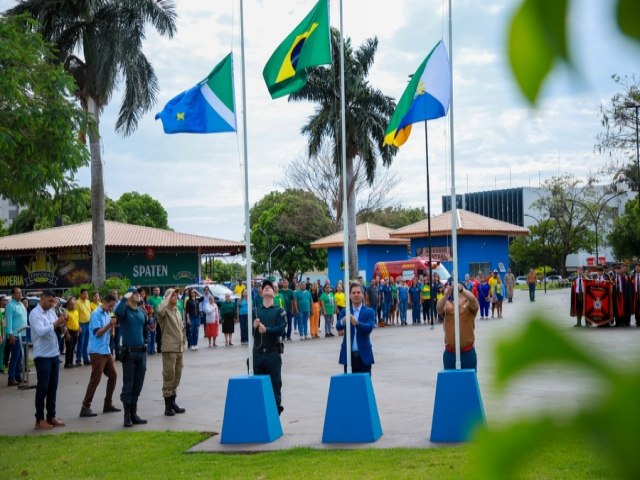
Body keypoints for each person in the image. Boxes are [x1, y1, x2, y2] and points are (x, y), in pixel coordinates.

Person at [30, 290, 68, 430]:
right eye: (50, 301)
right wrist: (57, 322)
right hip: (42, 356)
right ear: (43, 298)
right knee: (43, 388)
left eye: (54, 301)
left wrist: (63, 324)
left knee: (53, 387)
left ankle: (51, 416)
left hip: (54, 354)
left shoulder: (51, 312)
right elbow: (41, 331)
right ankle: (39, 420)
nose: (52, 304)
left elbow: (58, 331)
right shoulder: (35, 313)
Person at [79, 294, 120, 418]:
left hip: (105, 350)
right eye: (111, 306)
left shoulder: (107, 313)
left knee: (113, 376)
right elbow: (97, 333)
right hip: (97, 351)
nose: (111, 308)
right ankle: (85, 407)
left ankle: (108, 404)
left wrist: (112, 327)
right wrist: (109, 325)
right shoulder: (96, 314)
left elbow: (107, 329)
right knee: (95, 379)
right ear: (105, 302)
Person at [115, 288, 148, 428]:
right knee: (128, 385)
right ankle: (127, 415)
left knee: (138, 385)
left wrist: (145, 340)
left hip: (141, 352)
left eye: (138, 293)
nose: (138, 295)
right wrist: (124, 298)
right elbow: (117, 313)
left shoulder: (141, 312)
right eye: (134, 293)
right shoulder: (125, 311)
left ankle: (134, 413)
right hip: (129, 353)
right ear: (129, 296)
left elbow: (144, 328)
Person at [252, 280, 286, 415]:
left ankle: (275, 415)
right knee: (258, 387)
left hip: (273, 354)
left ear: (274, 292)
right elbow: (247, 333)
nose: (266, 288)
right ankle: (260, 415)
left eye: (269, 287)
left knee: (275, 385)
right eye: (264, 287)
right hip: (258, 355)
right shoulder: (256, 311)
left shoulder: (279, 311)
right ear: (261, 293)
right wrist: (253, 327)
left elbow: (281, 329)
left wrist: (267, 330)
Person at [157, 288, 187, 417]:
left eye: (176, 295)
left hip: (179, 348)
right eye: (173, 295)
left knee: (177, 376)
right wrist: (167, 298)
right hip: (169, 349)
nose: (176, 297)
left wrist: (184, 342)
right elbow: (159, 310)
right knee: (169, 376)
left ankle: (173, 401)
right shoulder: (164, 312)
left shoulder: (177, 310)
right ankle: (167, 406)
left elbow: (181, 328)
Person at [436, 282, 479, 371]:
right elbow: (438, 309)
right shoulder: (448, 304)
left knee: (468, 382)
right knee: (450, 382)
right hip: (450, 353)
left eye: (460, 285)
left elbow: (473, 300)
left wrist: (462, 290)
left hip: (467, 353)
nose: (456, 286)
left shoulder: (469, 304)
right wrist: (445, 296)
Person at [336, 282, 376, 375]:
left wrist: (357, 323)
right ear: (349, 295)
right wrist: (344, 320)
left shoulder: (369, 311)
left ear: (362, 295)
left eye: (358, 292)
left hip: (364, 357)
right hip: (349, 357)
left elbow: (369, 328)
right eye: (353, 293)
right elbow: (338, 326)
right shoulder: (345, 311)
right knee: (350, 387)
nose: (356, 295)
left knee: (364, 387)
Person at [5, 287, 27, 386]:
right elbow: (8, 321)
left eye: (20, 292)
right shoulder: (10, 305)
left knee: (20, 357)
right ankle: (11, 378)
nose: (20, 294)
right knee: (15, 357)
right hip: (15, 335)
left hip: (23, 334)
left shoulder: (21, 304)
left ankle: (18, 377)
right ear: (13, 295)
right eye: (18, 293)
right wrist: (10, 334)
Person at [76, 288, 92, 366]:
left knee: (86, 343)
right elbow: (76, 316)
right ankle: (78, 360)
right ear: (81, 294)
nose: (85, 295)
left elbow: (90, 313)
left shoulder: (88, 302)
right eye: (84, 294)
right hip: (81, 325)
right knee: (80, 343)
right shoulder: (77, 302)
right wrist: (79, 326)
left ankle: (86, 359)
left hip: (88, 324)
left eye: (86, 294)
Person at [64, 296, 80, 369]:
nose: (72, 305)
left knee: (73, 348)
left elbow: (77, 321)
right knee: (69, 348)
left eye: (73, 304)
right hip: (69, 331)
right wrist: (67, 333)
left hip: (75, 331)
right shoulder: (66, 312)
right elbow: (64, 324)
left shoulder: (76, 311)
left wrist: (78, 329)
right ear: (68, 304)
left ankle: (71, 362)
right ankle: (67, 363)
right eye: (71, 304)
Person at [147, 287, 163, 354]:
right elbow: (148, 308)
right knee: (152, 334)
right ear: (153, 291)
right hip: (152, 318)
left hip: (159, 318)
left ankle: (159, 348)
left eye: (158, 290)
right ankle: (151, 349)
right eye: (156, 290)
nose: (157, 291)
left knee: (159, 334)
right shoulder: (150, 299)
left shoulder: (161, 298)